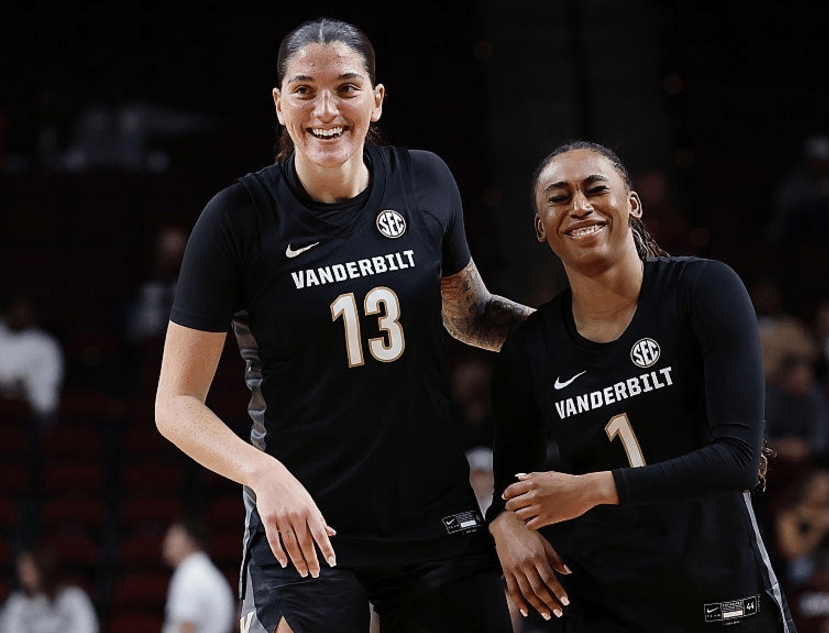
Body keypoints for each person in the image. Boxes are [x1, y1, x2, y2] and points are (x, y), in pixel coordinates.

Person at [153, 17, 531, 633]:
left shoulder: (426, 181)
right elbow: (175, 404)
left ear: (376, 99)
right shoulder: (237, 218)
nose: (325, 109)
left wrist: (582, 339)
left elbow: (471, 315)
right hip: (304, 524)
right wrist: (262, 472)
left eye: (346, 87)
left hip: (433, 516)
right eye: (303, 89)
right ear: (279, 105)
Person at [486, 141, 795, 632]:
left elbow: (738, 459)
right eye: (559, 198)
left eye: (595, 188)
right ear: (541, 228)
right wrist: (502, 523)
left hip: (721, 594)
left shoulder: (702, 288)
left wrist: (593, 489)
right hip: (605, 604)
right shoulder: (529, 348)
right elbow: (512, 488)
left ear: (632, 203)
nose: (580, 206)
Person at [0, 294, 64, 432]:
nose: (20, 315)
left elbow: (49, 384)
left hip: (30, 413)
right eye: (17, 310)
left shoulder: (45, 344)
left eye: (25, 311)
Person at [0, 543, 99, 633]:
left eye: (29, 570)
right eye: (21, 571)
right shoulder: (16, 602)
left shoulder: (73, 597)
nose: (23, 576)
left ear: (44, 568)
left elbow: (87, 629)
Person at [162, 518, 236, 633]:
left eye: (172, 536)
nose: (166, 542)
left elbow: (186, 628)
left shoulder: (190, 575)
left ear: (189, 540)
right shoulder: (203, 571)